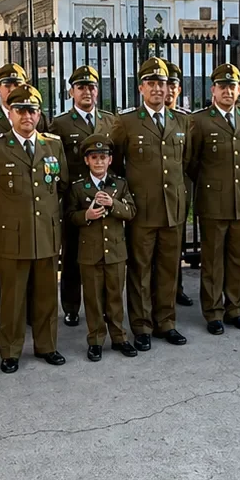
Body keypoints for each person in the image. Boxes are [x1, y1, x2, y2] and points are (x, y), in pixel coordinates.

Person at [0, 84, 68, 373]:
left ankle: (47, 346)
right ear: (11, 113)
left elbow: (60, 184)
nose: (27, 116)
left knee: (46, 296)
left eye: (33, 110)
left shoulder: (53, 144)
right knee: (12, 299)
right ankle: (11, 351)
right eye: (21, 110)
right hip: (12, 234)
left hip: (45, 233)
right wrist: (10, 214)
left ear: (39, 114)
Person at [110, 57, 190, 350]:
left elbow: (186, 161)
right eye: (152, 83)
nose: (158, 89)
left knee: (169, 268)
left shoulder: (181, 120)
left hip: (173, 209)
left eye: (164, 83)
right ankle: (142, 325)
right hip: (142, 210)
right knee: (141, 270)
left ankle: (166, 322)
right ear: (141, 87)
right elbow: (116, 165)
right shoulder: (127, 121)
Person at [0, 63, 45, 335]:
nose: (12, 89)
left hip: (33, 206)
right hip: (2, 208)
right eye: (7, 84)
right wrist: (0, 207)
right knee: (1, 264)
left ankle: (29, 311)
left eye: (17, 84)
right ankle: (1, 312)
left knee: (34, 259)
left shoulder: (38, 116)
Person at [187, 63, 240, 334]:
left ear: (238, 90)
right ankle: (213, 312)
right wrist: (211, 184)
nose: (228, 91)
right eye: (223, 86)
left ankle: (235, 309)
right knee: (214, 261)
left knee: (237, 258)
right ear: (213, 90)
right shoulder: (200, 120)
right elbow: (191, 161)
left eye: (233, 86)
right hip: (213, 201)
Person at [48, 65, 116, 328]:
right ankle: (72, 306)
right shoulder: (60, 124)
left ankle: (103, 305)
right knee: (74, 255)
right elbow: (55, 164)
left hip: (105, 198)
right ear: (71, 92)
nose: (87, 92)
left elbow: (116, 160)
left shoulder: (110, 121)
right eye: (81, 87)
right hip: (75, 200)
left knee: (105, 254)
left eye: (91, 87)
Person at [67, 137, 139, 360]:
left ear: (110, 160)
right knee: (93, 299)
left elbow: (131, 211)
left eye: (103, 157)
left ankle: (119, 337)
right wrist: (86, 216)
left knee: (115, 296)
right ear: (87, 161)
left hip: (115, 251)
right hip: (90, 252)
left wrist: (113, 204)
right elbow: (68, 216)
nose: (99, 162)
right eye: (94, 158)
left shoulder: (119, 184)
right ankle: (96, 339)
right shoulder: (78, 187)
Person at [167, 61, 198, 309]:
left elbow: (191, 157)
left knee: (175, 244)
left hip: (180, 188)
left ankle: (177, 288)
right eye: (164, 84)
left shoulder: (186, 120)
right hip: (151, 193)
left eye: (173, 85)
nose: (167, 90)